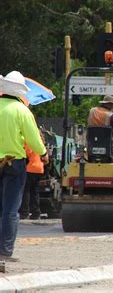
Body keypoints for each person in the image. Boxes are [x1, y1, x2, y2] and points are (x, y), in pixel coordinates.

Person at [0, 71, 48, 261]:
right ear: (20, 92)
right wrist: (43, 154)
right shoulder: (22, 111)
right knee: (10, 209)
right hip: (14, 163)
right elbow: (34, 141)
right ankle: (4, 251)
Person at [19, 139, 45, 220]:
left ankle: (24, 213)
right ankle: (36, 213)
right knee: (35, 192)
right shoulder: (41, 142)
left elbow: (26, 153)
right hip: (40, 169)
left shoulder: (28, 142)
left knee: (26, 191)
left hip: (30, 168)